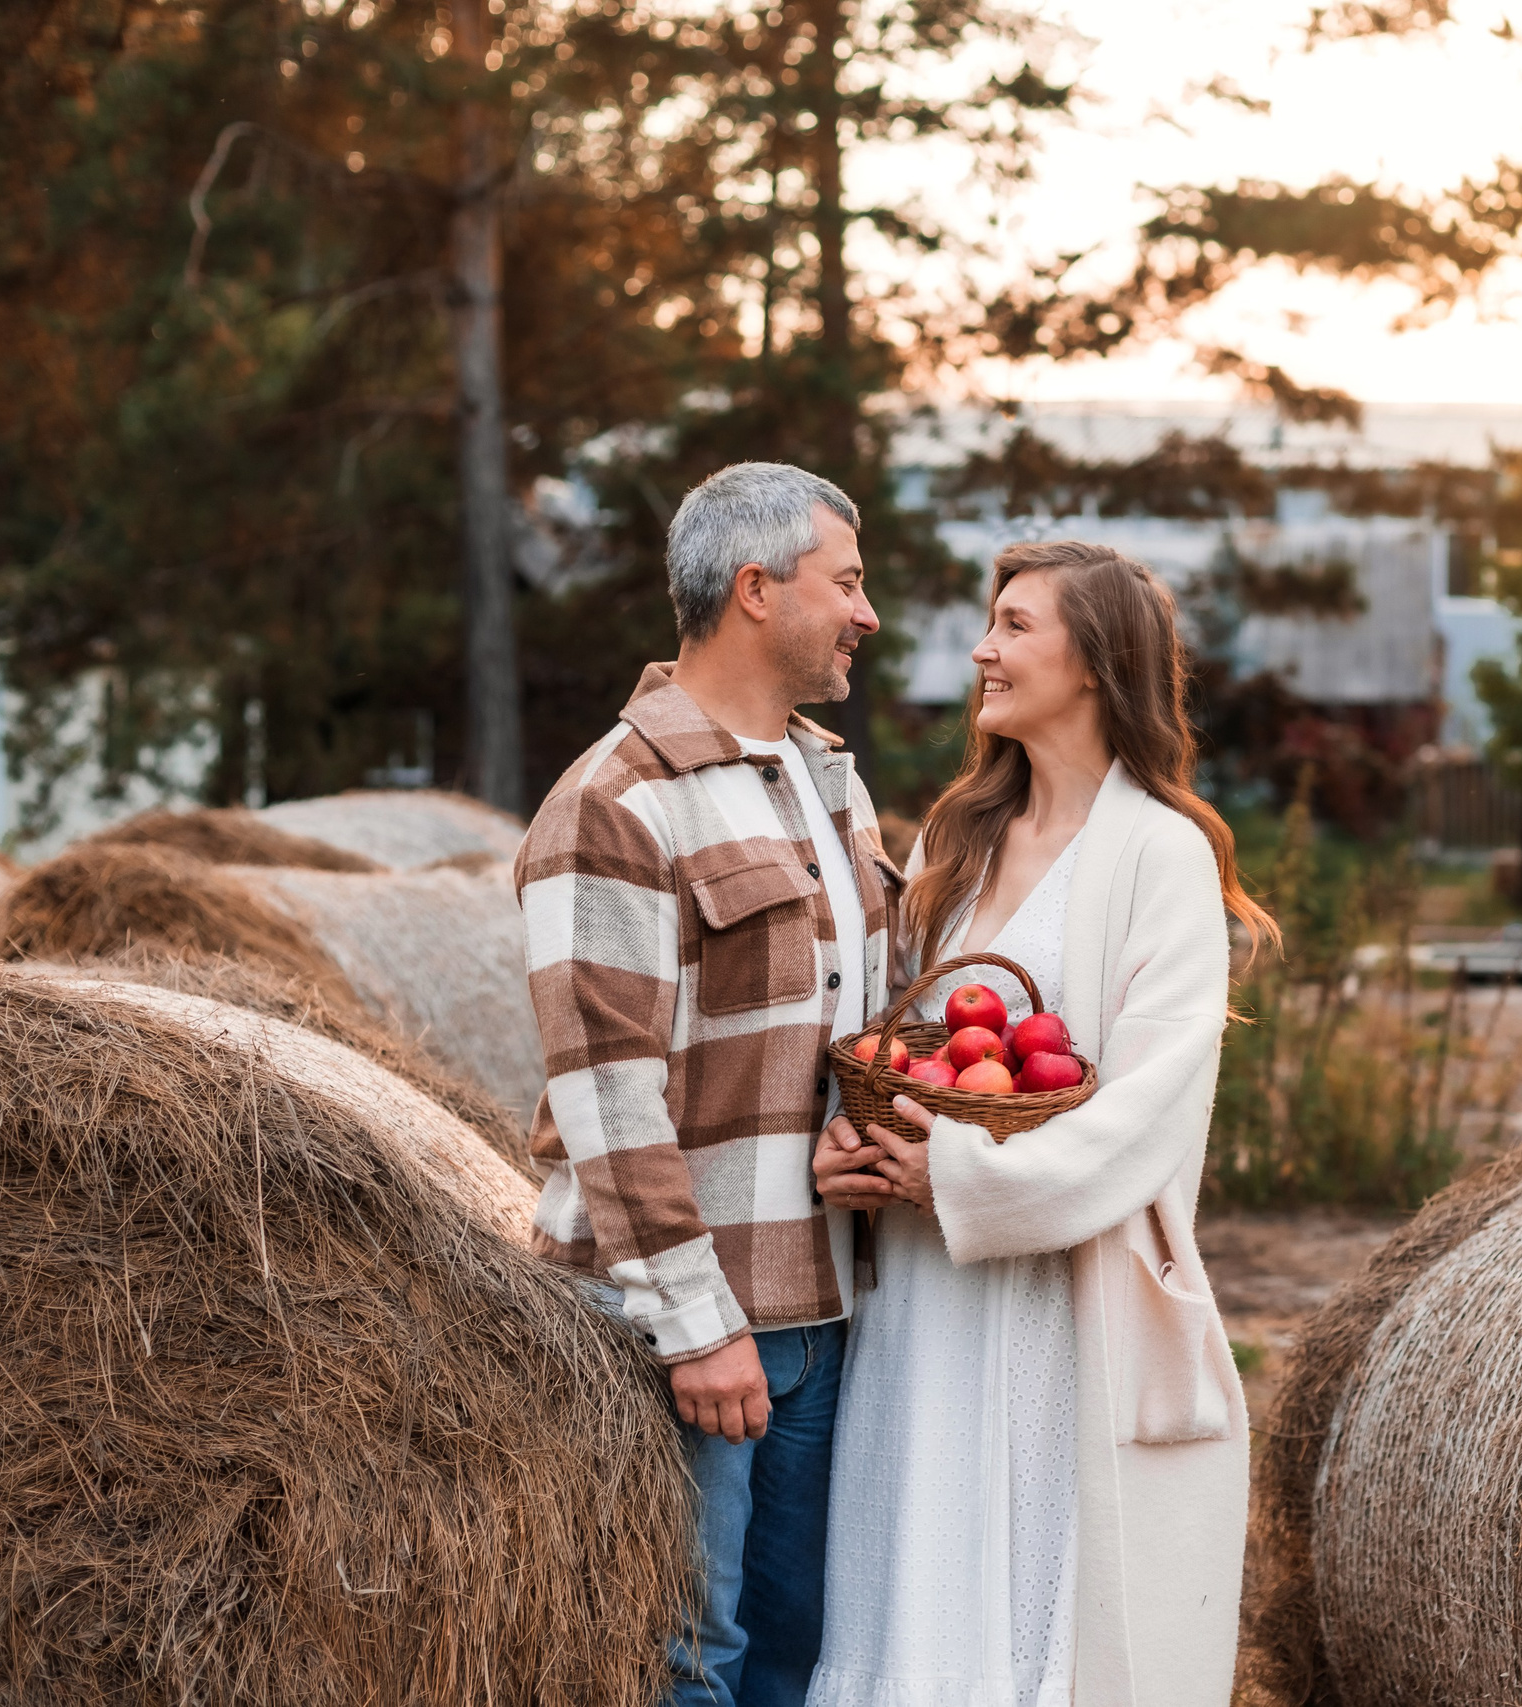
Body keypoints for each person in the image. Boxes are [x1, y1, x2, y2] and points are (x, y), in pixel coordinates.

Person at [807, 541, 1277, 1707]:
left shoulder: (1162, 853)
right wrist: (853, 1142)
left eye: (1015, 626)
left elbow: (1152, 1109)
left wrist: (952, 1175)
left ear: (1096, 660)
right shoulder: (951, 842)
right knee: (910, 1570)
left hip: (1060, 1295)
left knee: (1036, 1599)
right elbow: (892, 1043)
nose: (982, 650)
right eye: (991, 623)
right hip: (922, 1289)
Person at [516, 461, 896, 1707]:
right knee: (685, 1665)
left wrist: (857, 1133)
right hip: (681, 1329)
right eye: (845, 582)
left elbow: (848, 1026)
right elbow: (607, 1098)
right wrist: (698, 1328)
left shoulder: (828, 778)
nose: (866, 614)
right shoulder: (614, 806)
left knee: (793, 1655)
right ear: (754, 590)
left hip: (820, 1304)